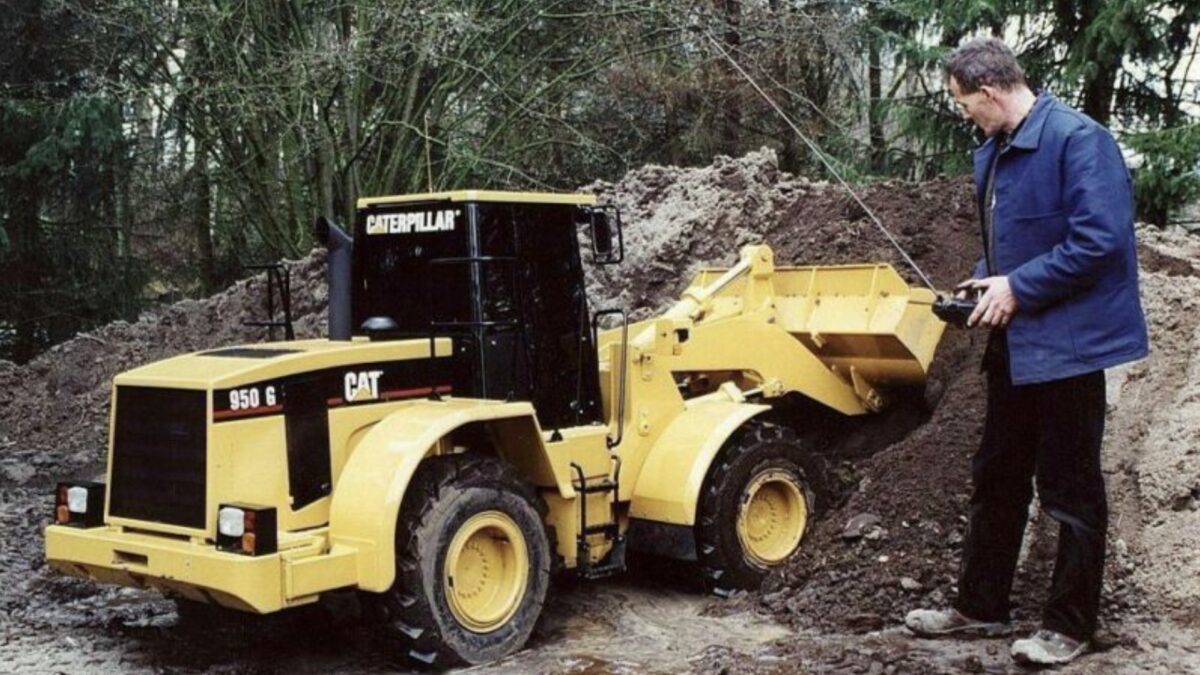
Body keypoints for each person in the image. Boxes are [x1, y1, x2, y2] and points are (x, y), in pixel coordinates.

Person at [903, 37, 1149, 666]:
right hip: (1015, 346)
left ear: (989, 91)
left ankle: (1069, 626)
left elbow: (1100, 242)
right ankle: (980, 607)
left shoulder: (1079, 140)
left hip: (1070, 349)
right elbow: (1011, 245)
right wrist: (983, 280)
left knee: (1070, 487)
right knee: (998, 475)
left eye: (963, 102)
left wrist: (1017, 287)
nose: (963, 113)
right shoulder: (996, 151)